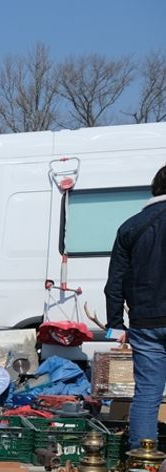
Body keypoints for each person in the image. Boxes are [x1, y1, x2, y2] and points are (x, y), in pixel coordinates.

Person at [105, 164, 166, 448]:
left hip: (144, 323)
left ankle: (143, 468)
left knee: (147, 395)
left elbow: (114, 282)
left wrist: (114, 325)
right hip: (147, 322)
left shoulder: (130, 227)